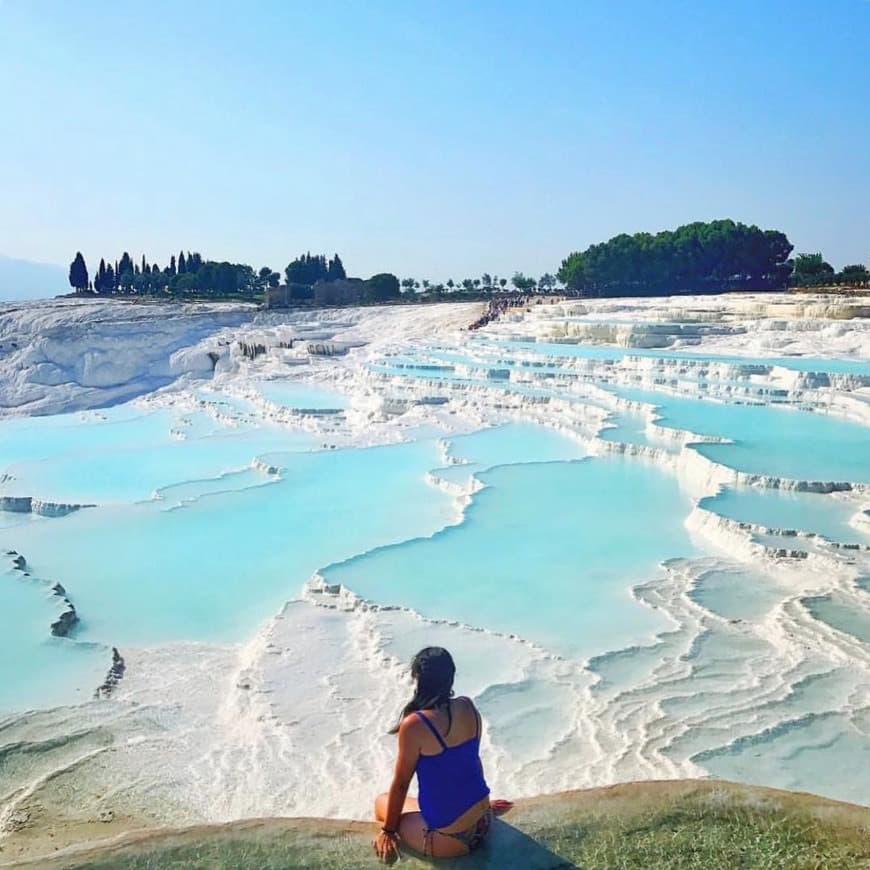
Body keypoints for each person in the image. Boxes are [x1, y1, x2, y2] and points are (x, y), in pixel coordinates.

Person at [373, 647, 507, 861]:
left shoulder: (415, 724)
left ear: (418, 678)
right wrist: (481, 804)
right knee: (414, 802)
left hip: (450, 839)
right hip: (484, 821)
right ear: (451, 676)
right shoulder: (467, 706)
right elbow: (471, 763)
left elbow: (401, 783)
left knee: (382, 801)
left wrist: (388, 832)